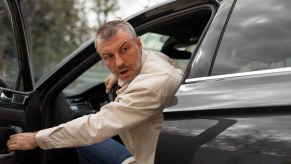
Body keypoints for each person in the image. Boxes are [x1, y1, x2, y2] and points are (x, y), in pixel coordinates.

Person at [7, 20, 183, 164]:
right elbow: (164, 59)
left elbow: (95, 126)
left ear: (138, 44)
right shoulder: (156, 64)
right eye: (108, 56)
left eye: (124, 49)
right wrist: (122, 76)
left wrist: (37, 138)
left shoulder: (151, 86)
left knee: (85, 143)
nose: (119, 63)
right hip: (157, 153)